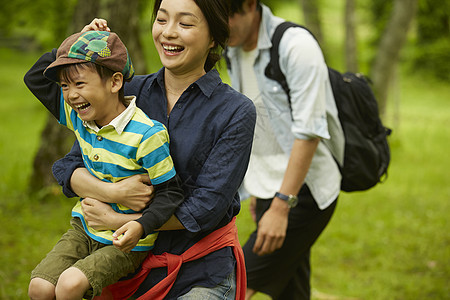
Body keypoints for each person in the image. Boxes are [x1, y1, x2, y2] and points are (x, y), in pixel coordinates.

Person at [25, 0, 257, 299]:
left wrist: (119, 221)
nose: (169, 33)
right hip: (125, 271)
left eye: (185, 24)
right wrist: (75, 50)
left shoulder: (235, 111)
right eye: (161, 20)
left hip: (200, 272)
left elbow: (204, 210)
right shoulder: (126, 94)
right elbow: (71, 165)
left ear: (213, 36)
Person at [25, 30, 185, 299]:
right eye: (65, 86)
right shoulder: (79, 117)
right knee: (39, 287)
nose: (71, 95)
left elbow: (171, 193)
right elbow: (35, 77)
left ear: (115, 82)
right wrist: (81, 38)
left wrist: (141, 226)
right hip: (85, 227)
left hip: (126, 241)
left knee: (69, 285)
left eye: (79, 84)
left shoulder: (147, 135)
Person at [225, 0, 345, 299]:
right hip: (270, 190)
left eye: (225, 15)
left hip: (303, 192)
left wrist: (280, 204)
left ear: (250, 5)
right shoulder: (232, 48)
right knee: (292, 289)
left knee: (232, 286)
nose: (218, 26)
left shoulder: (295, 46)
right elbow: (255, 121)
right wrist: (258, 186)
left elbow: (309, 132)